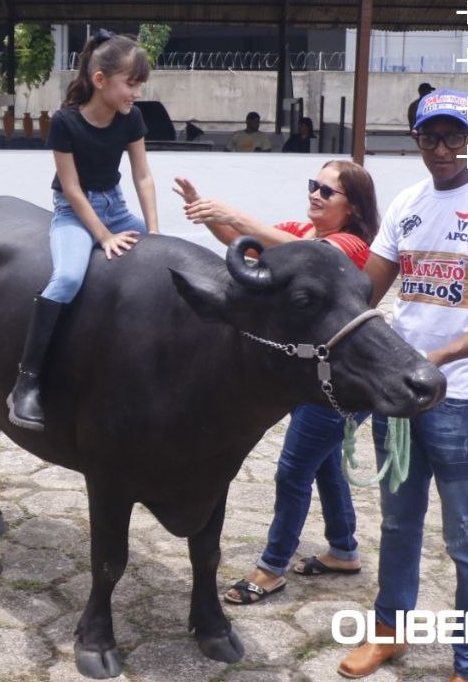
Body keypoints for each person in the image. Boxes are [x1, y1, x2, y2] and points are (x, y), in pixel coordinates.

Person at [339, 89, 468, 682]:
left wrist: (440, 356)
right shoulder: (407, 204)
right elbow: (365, 293)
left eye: (455, 136)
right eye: (430, 137)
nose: (442, 149)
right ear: (416, 140)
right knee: (398, 523)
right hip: (400, 395)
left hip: (463, 399)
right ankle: (390, 634)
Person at [173, 161, 380, 605]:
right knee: (322, 464)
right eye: (314, 186)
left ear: (354, 207)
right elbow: (245, 249)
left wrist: (231, 211)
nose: (316, 195)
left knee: (292, 472)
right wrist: (209, 214)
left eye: (328, 191)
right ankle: (343, 550)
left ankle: (271, 568)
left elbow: (303, 257)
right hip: (310, 376)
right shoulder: (299, 234)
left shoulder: (350, 247)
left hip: (339, 379)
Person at [6, 30, 159, 431]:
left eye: (140, 84)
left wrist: (155, 233)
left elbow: (142, 177)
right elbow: (72, 190)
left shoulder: (131, 118)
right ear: (100, 80)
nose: (136, 93)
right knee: (68, 277)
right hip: (74, 213)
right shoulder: (66, 122)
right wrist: (104, 237)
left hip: (118, 207)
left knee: (160, 263)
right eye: (131, 83)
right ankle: (26, 382)